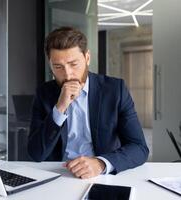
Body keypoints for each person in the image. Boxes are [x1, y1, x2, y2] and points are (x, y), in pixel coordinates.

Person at [27, 27, 149, 179]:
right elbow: (36, 153)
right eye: (58, 67)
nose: (67, 74)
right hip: (58, 174)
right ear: (50, 65)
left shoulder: (115, 90)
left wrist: (101, 164)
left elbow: (139, 148)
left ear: (87, 58)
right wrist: (60, 108)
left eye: (74, 64)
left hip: (102, 175)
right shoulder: (44, 93)